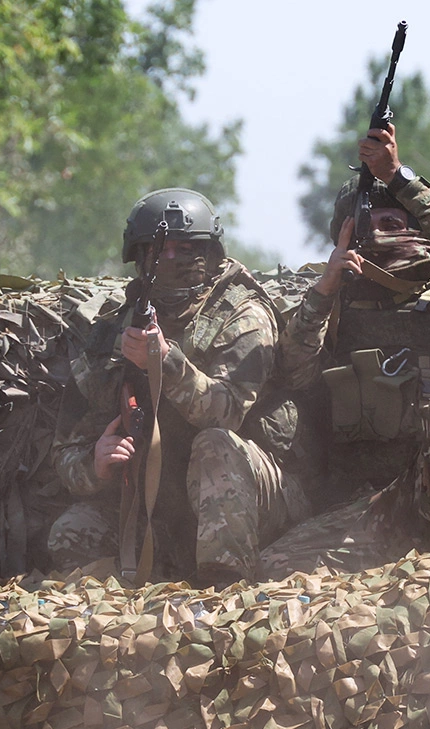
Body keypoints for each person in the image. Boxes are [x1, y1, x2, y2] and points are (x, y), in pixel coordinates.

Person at [262, 123, 430, 577]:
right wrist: (325, 291)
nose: (391, 227)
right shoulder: (331, 305)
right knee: (272, 569)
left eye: (399, 218)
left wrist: (397, 175)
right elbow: (291, 375)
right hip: (371, 510)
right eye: (375, 220)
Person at [48, 188, 311, 584]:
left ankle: (225, 594)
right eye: (158, 251)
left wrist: (165, 361)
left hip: (255, 496)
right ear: (139, 258)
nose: (171, 260)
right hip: (163, 506)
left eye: (185, 249)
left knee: (215, 446)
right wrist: (94, 463)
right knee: (69, 534)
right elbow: (65, 448)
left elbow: (226, 414)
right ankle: (134, 611)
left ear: (210, 254)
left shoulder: (242, 315)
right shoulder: (112, 332)